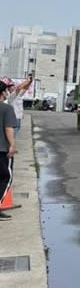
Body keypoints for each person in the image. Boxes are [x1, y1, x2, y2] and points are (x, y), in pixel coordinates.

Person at [0, 82, 17, 221]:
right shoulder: (7, 108)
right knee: (6, 177)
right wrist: (12, 145)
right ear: (3, 92)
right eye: (6, 90)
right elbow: (8, 128)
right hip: (2, 149)